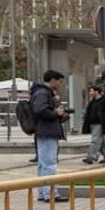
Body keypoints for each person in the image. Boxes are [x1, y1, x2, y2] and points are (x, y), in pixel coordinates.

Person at [29, 71, 68, 202]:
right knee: (49, 163)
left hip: (44, 131)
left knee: (43, 163)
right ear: (52, 80)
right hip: (47, 131)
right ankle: (50, 193)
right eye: (59, 81)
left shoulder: (41, 92)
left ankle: (43, 192)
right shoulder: (43, 93)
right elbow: (40, 110)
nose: (60, 84)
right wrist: (56, 113)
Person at [82, 84, 105, 165]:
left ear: (96, 92)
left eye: (91, 91)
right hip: (92, 123)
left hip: (100, 124)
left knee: (95, 140)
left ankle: (91, 157)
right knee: (103, 142)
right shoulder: (92, 102)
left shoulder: (104, 101)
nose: (90, 93)